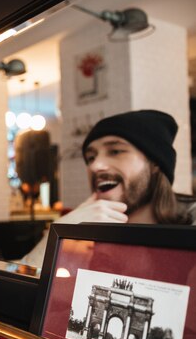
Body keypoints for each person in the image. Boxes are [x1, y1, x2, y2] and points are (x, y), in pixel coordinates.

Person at [22, 109, 196, 268]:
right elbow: (20, 292)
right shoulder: (85, 239)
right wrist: (57, 236)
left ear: (155, 164)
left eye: (115, 151)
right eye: (90, 157)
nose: (95, 166)